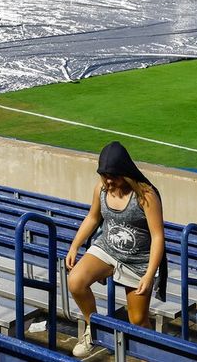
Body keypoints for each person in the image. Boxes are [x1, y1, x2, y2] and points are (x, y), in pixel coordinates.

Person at [65, 141, 165, 357]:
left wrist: (149, 275)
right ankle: (94, 328)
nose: (109, 180)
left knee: (138, 320)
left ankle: (152, 355)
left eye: (114, 175)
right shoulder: (100, 190)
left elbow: (158, 237)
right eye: (104, 175)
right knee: (75, 281)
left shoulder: (145, 195)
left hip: (137, 260)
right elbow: (93, 218)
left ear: (125, 173)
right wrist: (75, 245)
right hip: (107, 249)